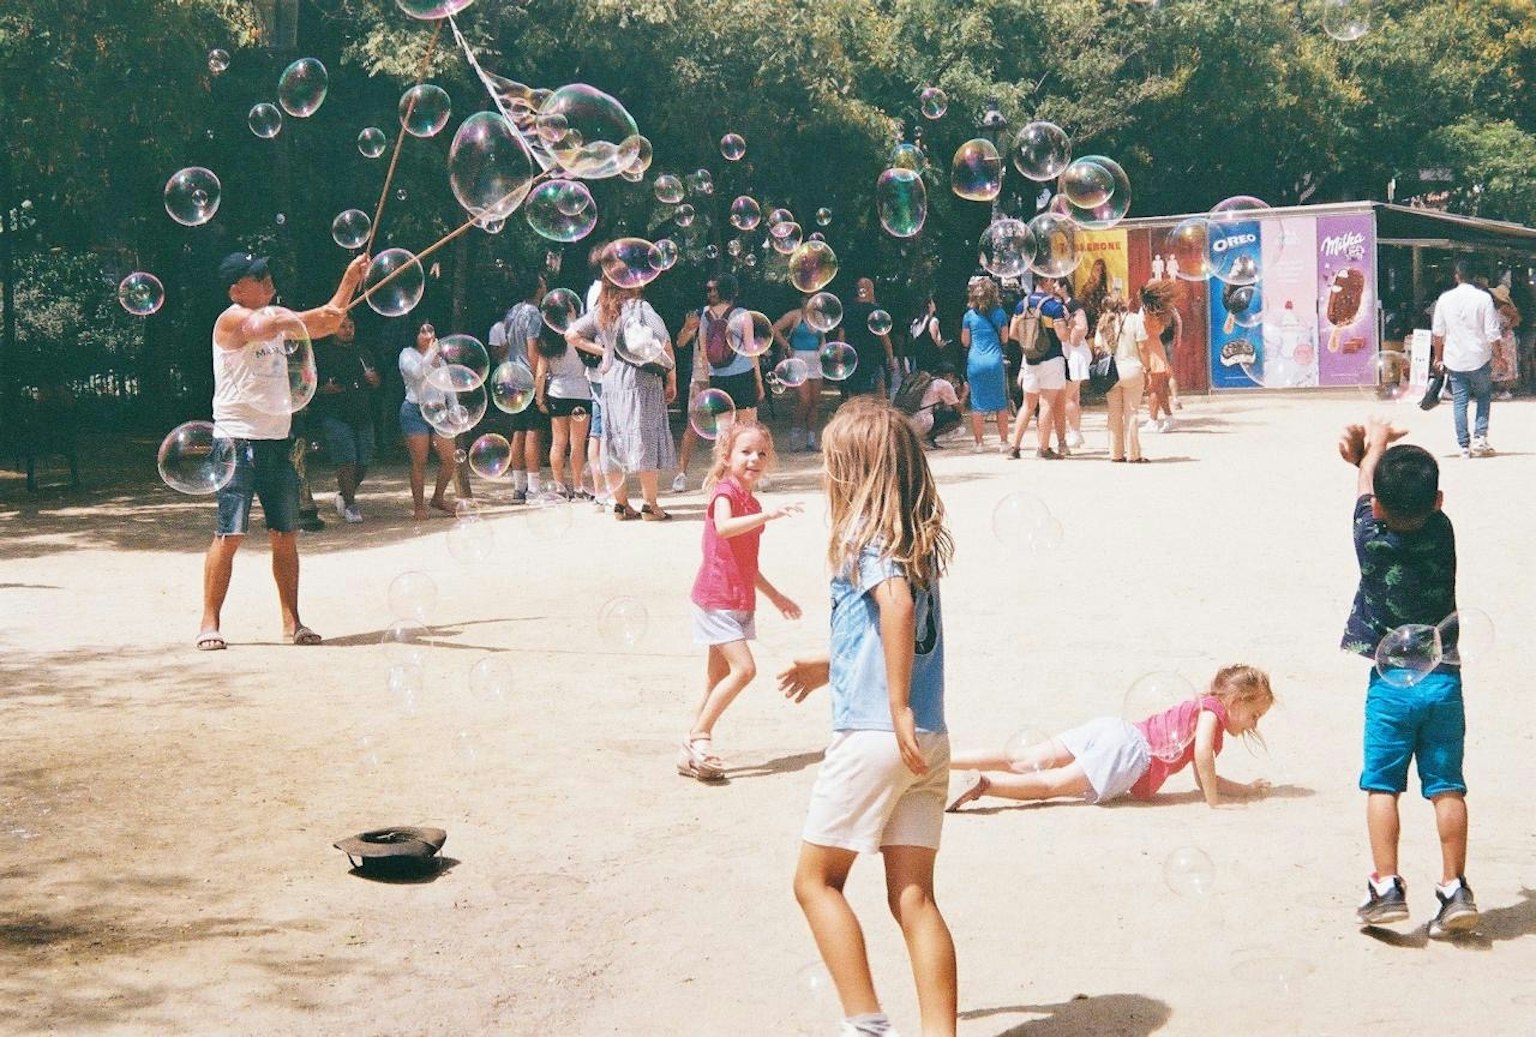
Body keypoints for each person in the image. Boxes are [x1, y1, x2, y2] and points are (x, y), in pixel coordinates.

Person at [780, 397, 957, 1037]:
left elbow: (895, 610)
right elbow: (890, 634)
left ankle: (866, 1026)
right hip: (928, 740)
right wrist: (828, 665)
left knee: (814, 882)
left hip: (878, 735)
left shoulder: (866, 540)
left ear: (851, 475)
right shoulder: (919, 546)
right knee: (913, 897)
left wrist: (896, 707)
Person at [1338, 418, 1478, 937]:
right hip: (1445, 679)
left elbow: (1364, 490)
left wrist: (1372, 447)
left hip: (1391, 684)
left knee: (1382, 786)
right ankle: (1454, 887)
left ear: (1376, 508)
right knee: (1447, 788)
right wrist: (1378, 455)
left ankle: (1386, 885)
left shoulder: (1369, 536)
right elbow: (1384, 495)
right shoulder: (1443, 530)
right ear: (1437, 500)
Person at [197, 250, 368, 651]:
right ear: (237, 289)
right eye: (258, 276)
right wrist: (311, 317)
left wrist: (348, 280)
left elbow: (327, 323)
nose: (268, 278)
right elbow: (271, 323)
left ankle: (293, 623)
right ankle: (209, 622)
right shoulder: (232, 320)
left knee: (285, 534)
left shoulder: (277, 320)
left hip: (277, 442)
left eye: (267, 272)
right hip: (236, 442)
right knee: (230, 534)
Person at [945, 665, 1274, 811]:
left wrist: (1245, 789)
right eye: (1254, 715)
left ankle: (941, 760)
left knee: (1023, 758)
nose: (1254, 725)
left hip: (1115, 730)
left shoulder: (1202, 706)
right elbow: (1203, 757)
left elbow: (1207, 778)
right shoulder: (1212, 713)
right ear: (1235, 700)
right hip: (1130, 755)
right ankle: (984, 785)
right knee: (1049, 785)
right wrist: (1214, 805)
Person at [679, 422, 803, 781]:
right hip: (715, 599)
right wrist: (766, 515)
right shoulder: (725, 493)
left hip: (738, 600)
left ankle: (689, 749)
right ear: (727, 456)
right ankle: (700, 738)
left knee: (715, 678)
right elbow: (723, 527)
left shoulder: (751, 500)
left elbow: (748, 565)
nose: (755, 459)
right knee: (744, 670)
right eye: (746, 452)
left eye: (762, 453)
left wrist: (776, 597)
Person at [566, 281, 678, 520]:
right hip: (642, 380)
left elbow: (571, 334)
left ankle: (620, 504)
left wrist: (605, 351)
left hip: (611, 382)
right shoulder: (641, 308)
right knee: (644, 436)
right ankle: (650, 505)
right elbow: (665, 343)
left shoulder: (602, 312)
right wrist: (672, 379)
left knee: (613, 440)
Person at [674, 274, 762, 490]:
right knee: (748, 426)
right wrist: (758, 379)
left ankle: (721, 475)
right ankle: (752, 476)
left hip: (717, 378)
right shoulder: (743, 315)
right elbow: (751, 349)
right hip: (743, 375)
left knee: (724, 432)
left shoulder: (706, 316)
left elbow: (704, 353)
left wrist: (710, 376)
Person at [312, 313, 380, 523]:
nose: (348, 330)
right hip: (336, 414)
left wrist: (373, 379)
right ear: (333, 329)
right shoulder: (323, 354)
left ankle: (343, 494)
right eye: (343, 326)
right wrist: (325, 389)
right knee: (346, 460)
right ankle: (350, 505)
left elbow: (376, 382)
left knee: (364, 461)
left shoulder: (363, 352)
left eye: (351, 326)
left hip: (362, 413)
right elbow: (310, 386)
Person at [488, 271, 550, 502]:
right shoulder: (534, 314)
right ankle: (534, 488)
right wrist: (539, 379)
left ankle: (519, 487)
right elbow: (532, 347)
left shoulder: (514, 311)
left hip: (511, 375)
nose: (545, 286)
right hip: (527, 376)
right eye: (542, 283)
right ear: (538, 288)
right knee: (534, 431)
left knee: (518, 431)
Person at [1431, 260, 1501, 458]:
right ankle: (1480, 438)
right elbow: (1492, 333)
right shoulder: (1484, 298)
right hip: (1480, 356)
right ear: (1475, 277)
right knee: (1483, 396)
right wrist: (1500, 356)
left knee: (1460, 401)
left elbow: (1438, 332)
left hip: (1455, 358)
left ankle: (1463, 445)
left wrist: (1438, 357)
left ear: (1456, 276)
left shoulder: (1444, 299)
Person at [399, 320, 466, 521]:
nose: (428, 335)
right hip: (415, 412)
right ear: (414, 334)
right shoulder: (407, 354)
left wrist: (455, 410)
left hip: (439, 412)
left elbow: (448, 387)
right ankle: (418, 507)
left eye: (431, 331)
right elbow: (418, 372)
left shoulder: (439, 360)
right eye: (423, 331)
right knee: (420, 460)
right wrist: (431, 353)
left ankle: (438, 498)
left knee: (449, 458)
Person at [1006, 277, 1068, 459]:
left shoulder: (1021, 304)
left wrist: (1030, 343)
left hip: (1031, 360)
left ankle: (1014, 448)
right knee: (1047, 403)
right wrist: (1068, 325)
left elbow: (1012, 333)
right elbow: (1062, 336)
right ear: (1047, 281)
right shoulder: (1053, 307)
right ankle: (1043, 448)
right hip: (1052, 359)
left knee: (1028, 404)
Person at [533, 320, 593, 499]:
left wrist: (539, 398)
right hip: (580, 392)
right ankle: (578, 487)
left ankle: (559, 487)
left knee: (558, 443)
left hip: (557, 393)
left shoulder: (547, 340)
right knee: (578, 444)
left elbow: (541, 373)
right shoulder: (578, 335)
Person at [1095, 294, 1150, 463]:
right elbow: (1142, 347)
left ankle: (1115, 453)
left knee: (1114, 413)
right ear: (1123, 303)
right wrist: (1147, 369)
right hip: (1132, 369)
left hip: (1111, 373)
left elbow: (1097, 348)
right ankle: (1133, 454)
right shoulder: (1134, 320)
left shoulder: (1103, 323)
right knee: (1132, 412)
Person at [959, 277, 1010, 452]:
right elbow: (1004, 338)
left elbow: (965, 342)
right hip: (994, 360)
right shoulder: (1000, 314)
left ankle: (979, 443)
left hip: (975, 361)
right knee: (1000, 403)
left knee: (977, 404)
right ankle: (1003, 442)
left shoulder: (968, 316)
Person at [772, 296, 826, 451]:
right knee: (804, 400)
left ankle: (811, 439)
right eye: (807, 299)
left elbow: (822, 337)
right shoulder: (795, 315)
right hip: (798, 359)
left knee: (815, 402)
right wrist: (787, 346)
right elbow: (774, 329)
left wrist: (823, 348)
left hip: (815, 359)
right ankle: (794, 437)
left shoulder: (819, 317)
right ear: (802, 300)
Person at [841, 277, 897, 399]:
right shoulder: (876, 311)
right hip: (873, 358)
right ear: (869, 290)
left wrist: (840, 356)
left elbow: (841, 336)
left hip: (853, 357)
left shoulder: (848, 310)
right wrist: (891, 359)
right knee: (879, 393)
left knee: (854, 394)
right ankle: (879, 416)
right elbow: (884, 337)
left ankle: (855, 416)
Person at [1053, 278, 1091, 449]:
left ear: (1064, 287)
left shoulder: (1074, 306)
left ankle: (1075, 432)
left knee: (1067, 396)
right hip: (1070, 355)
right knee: (1074, 397)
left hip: (1076, 355)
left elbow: (1081, 328)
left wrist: (1070, 326)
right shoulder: (1064, 305)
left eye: (1056, 284)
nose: (1053, 287)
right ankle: (1074, 432)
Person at [1138, 280, 1178, 433]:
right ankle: (1168, 417)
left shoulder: (1146, 311)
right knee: (1158, 387)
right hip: (1156, 347)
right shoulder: (1162, 311)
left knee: (1153, 388)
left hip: (1150, 348)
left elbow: (1141, 332)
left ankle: (1153, 420)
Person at [1490, 283, 1520, 400]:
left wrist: (1507, 327)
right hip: (1501, 338)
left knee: (1506, 361)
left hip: (1505, 338)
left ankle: (1506, 390)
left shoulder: (1504, 307)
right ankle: (1501, 389)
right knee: (1499, 363)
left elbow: (1517, 318)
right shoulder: (1499, 307)